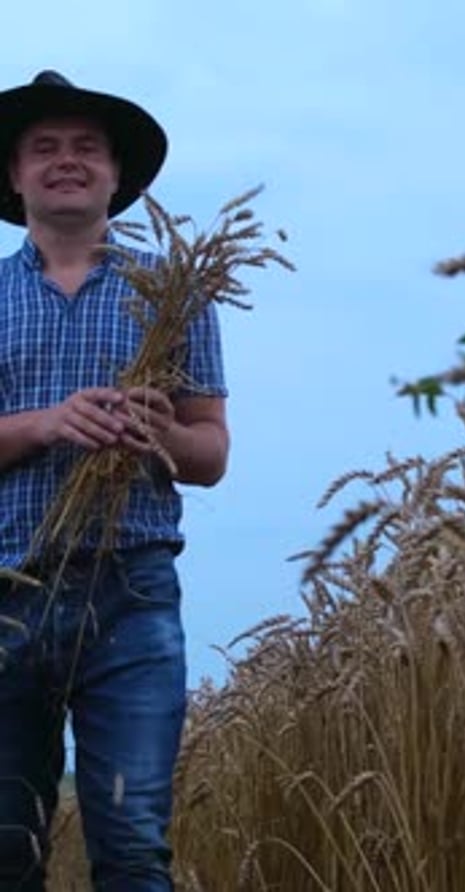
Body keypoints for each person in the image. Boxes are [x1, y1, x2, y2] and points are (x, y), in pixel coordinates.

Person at [0, 70, 229, 891]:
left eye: (87, 148)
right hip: (6, 590)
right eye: (45, 148)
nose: (68, 161)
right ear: (15, 174)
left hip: (130, 592)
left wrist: (157, 433)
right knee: (4, 850)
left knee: (132, 844)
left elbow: (210, 453)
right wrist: (46, 424)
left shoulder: (175, 291)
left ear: (117, 177)